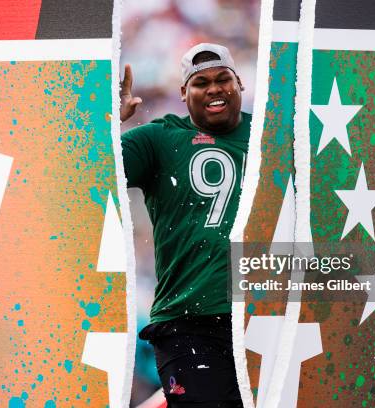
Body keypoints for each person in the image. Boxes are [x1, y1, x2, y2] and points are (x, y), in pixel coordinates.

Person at [121, 43, 249, 408]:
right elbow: (85, 173)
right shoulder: (158, 138)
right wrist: (106, 121)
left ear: (239, 82)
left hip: (262, 315)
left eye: (223, 79)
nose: (213, 89)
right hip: (189, 321)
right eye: (200, 82)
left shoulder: (267, 136)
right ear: (183, 93)